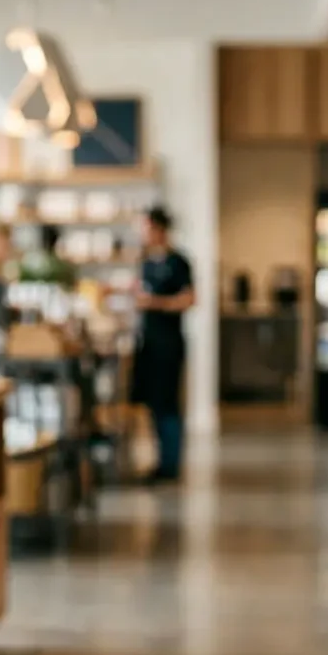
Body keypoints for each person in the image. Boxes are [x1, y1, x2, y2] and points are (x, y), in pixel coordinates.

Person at [129, 207, 194, 483]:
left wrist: (155, 303)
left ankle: (171, 464)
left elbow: (189, 300)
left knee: (168, 404)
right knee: (153, 404)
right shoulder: (145, 263)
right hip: (149, 344)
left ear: (159, 229)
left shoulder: (179, 263)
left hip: (169, 344)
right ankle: (159, 461)